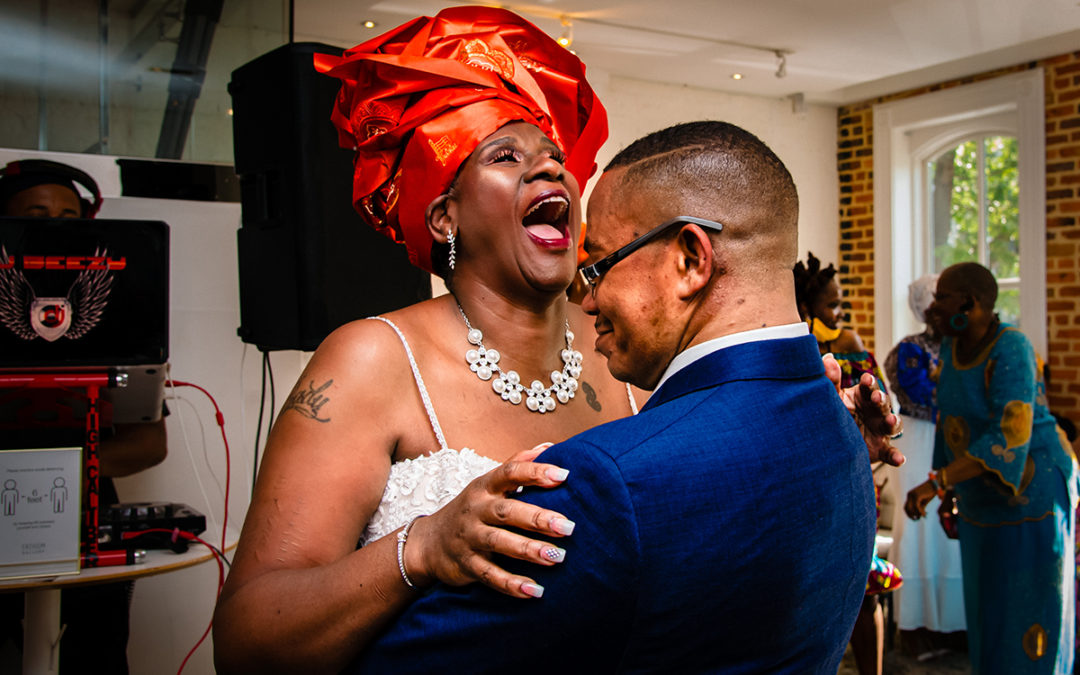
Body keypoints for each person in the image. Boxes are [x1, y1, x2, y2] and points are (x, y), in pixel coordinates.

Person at [213, 10, 901, 675]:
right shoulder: (369, 358)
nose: (550, 171)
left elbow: (706, 529)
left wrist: (817, 447)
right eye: (506, 155)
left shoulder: (634, 347)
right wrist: (419, 548)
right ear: (443, 212)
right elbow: (247, 638)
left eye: (553, 156)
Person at [339, 120, 879, 673]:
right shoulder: (839, 425)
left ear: (691, 260)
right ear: (443, 214)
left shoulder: (605, 485)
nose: (589, 298)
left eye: (596, 266)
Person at [0, 159, 168, 674]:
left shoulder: (122, 318)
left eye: (71, 215)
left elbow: (150, 444)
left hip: (88, 525)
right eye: (38, 212)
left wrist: (51, 476)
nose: (58, 224)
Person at [904, 262, 1078, 674]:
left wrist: (937, 483)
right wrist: (947, 491)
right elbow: (949, 421)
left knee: (1029, 613)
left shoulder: (1012, 347)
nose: (933, 307)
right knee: (989, 613)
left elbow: (1007, 438)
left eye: (942, 297)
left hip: (1032, 493)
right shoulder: (951, 345)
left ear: (971, 302)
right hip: (981, 496)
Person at [793, 251, 901, 675]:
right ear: (806, 308)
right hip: (803, 485)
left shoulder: (851, 346)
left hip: (851, 478)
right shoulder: (793, 348)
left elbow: (881, 405)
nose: (839, 312)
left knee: (862, 590)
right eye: (831, 305)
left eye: (841, 304)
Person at [883, 274, 966, 652]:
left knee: (952, 535)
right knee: (920, 531)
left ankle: (956, 625)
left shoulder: (964, 348)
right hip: (919, 442)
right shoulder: (908, 350)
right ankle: (918, 627)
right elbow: (922, 394)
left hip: (955, 441)